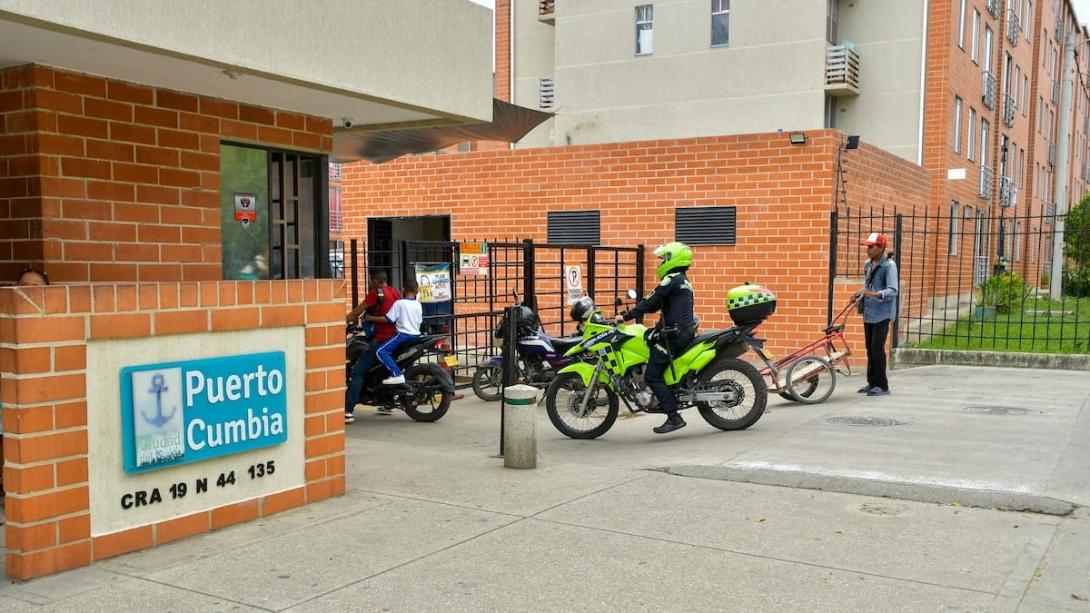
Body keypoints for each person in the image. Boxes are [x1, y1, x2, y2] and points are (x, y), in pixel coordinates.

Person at [616, 242, 697, 434]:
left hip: (674, 335)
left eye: (663, 259)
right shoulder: (682, 280)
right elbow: (655, 305)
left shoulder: (671, 279)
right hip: (680, 332)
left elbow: (650, 300)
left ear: (672, 259)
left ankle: (674, 417)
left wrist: (625, 316)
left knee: (652, 375)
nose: (660, 263)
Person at [344, 271, 401, 423]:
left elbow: (357, 312)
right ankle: (387, 404)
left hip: (381, 339)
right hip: (396, 339)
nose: (369, 282)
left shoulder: (375, 293)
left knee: (358, 373)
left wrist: (340, 321)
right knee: (383, 371)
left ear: (375, 280)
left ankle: (348, 411)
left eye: (370, 279)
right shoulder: (395, 292)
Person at [856, 232, 899, 397]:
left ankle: (882, 385)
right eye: (867, 247)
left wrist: (873, 294)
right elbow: (868, 285)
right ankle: (872, 382)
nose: (868, 250)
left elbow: (893, 290)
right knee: (869, 348)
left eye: (871, 247)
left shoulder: (889, 266)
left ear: (881, 248)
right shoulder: (868, 264)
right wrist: (859, 293)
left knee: (877, 348)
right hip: (869, 312)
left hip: (882, 314)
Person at [371, 279, 422, 386]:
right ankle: (408, 380)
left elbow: (388, 319)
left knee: (380, 352)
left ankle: (396, 374)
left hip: (403, 335)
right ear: (417, 291)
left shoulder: (399, 303)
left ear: (403, 289)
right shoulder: (418, 304)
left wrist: (371, 318)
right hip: (416, 336)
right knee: (408, 360)